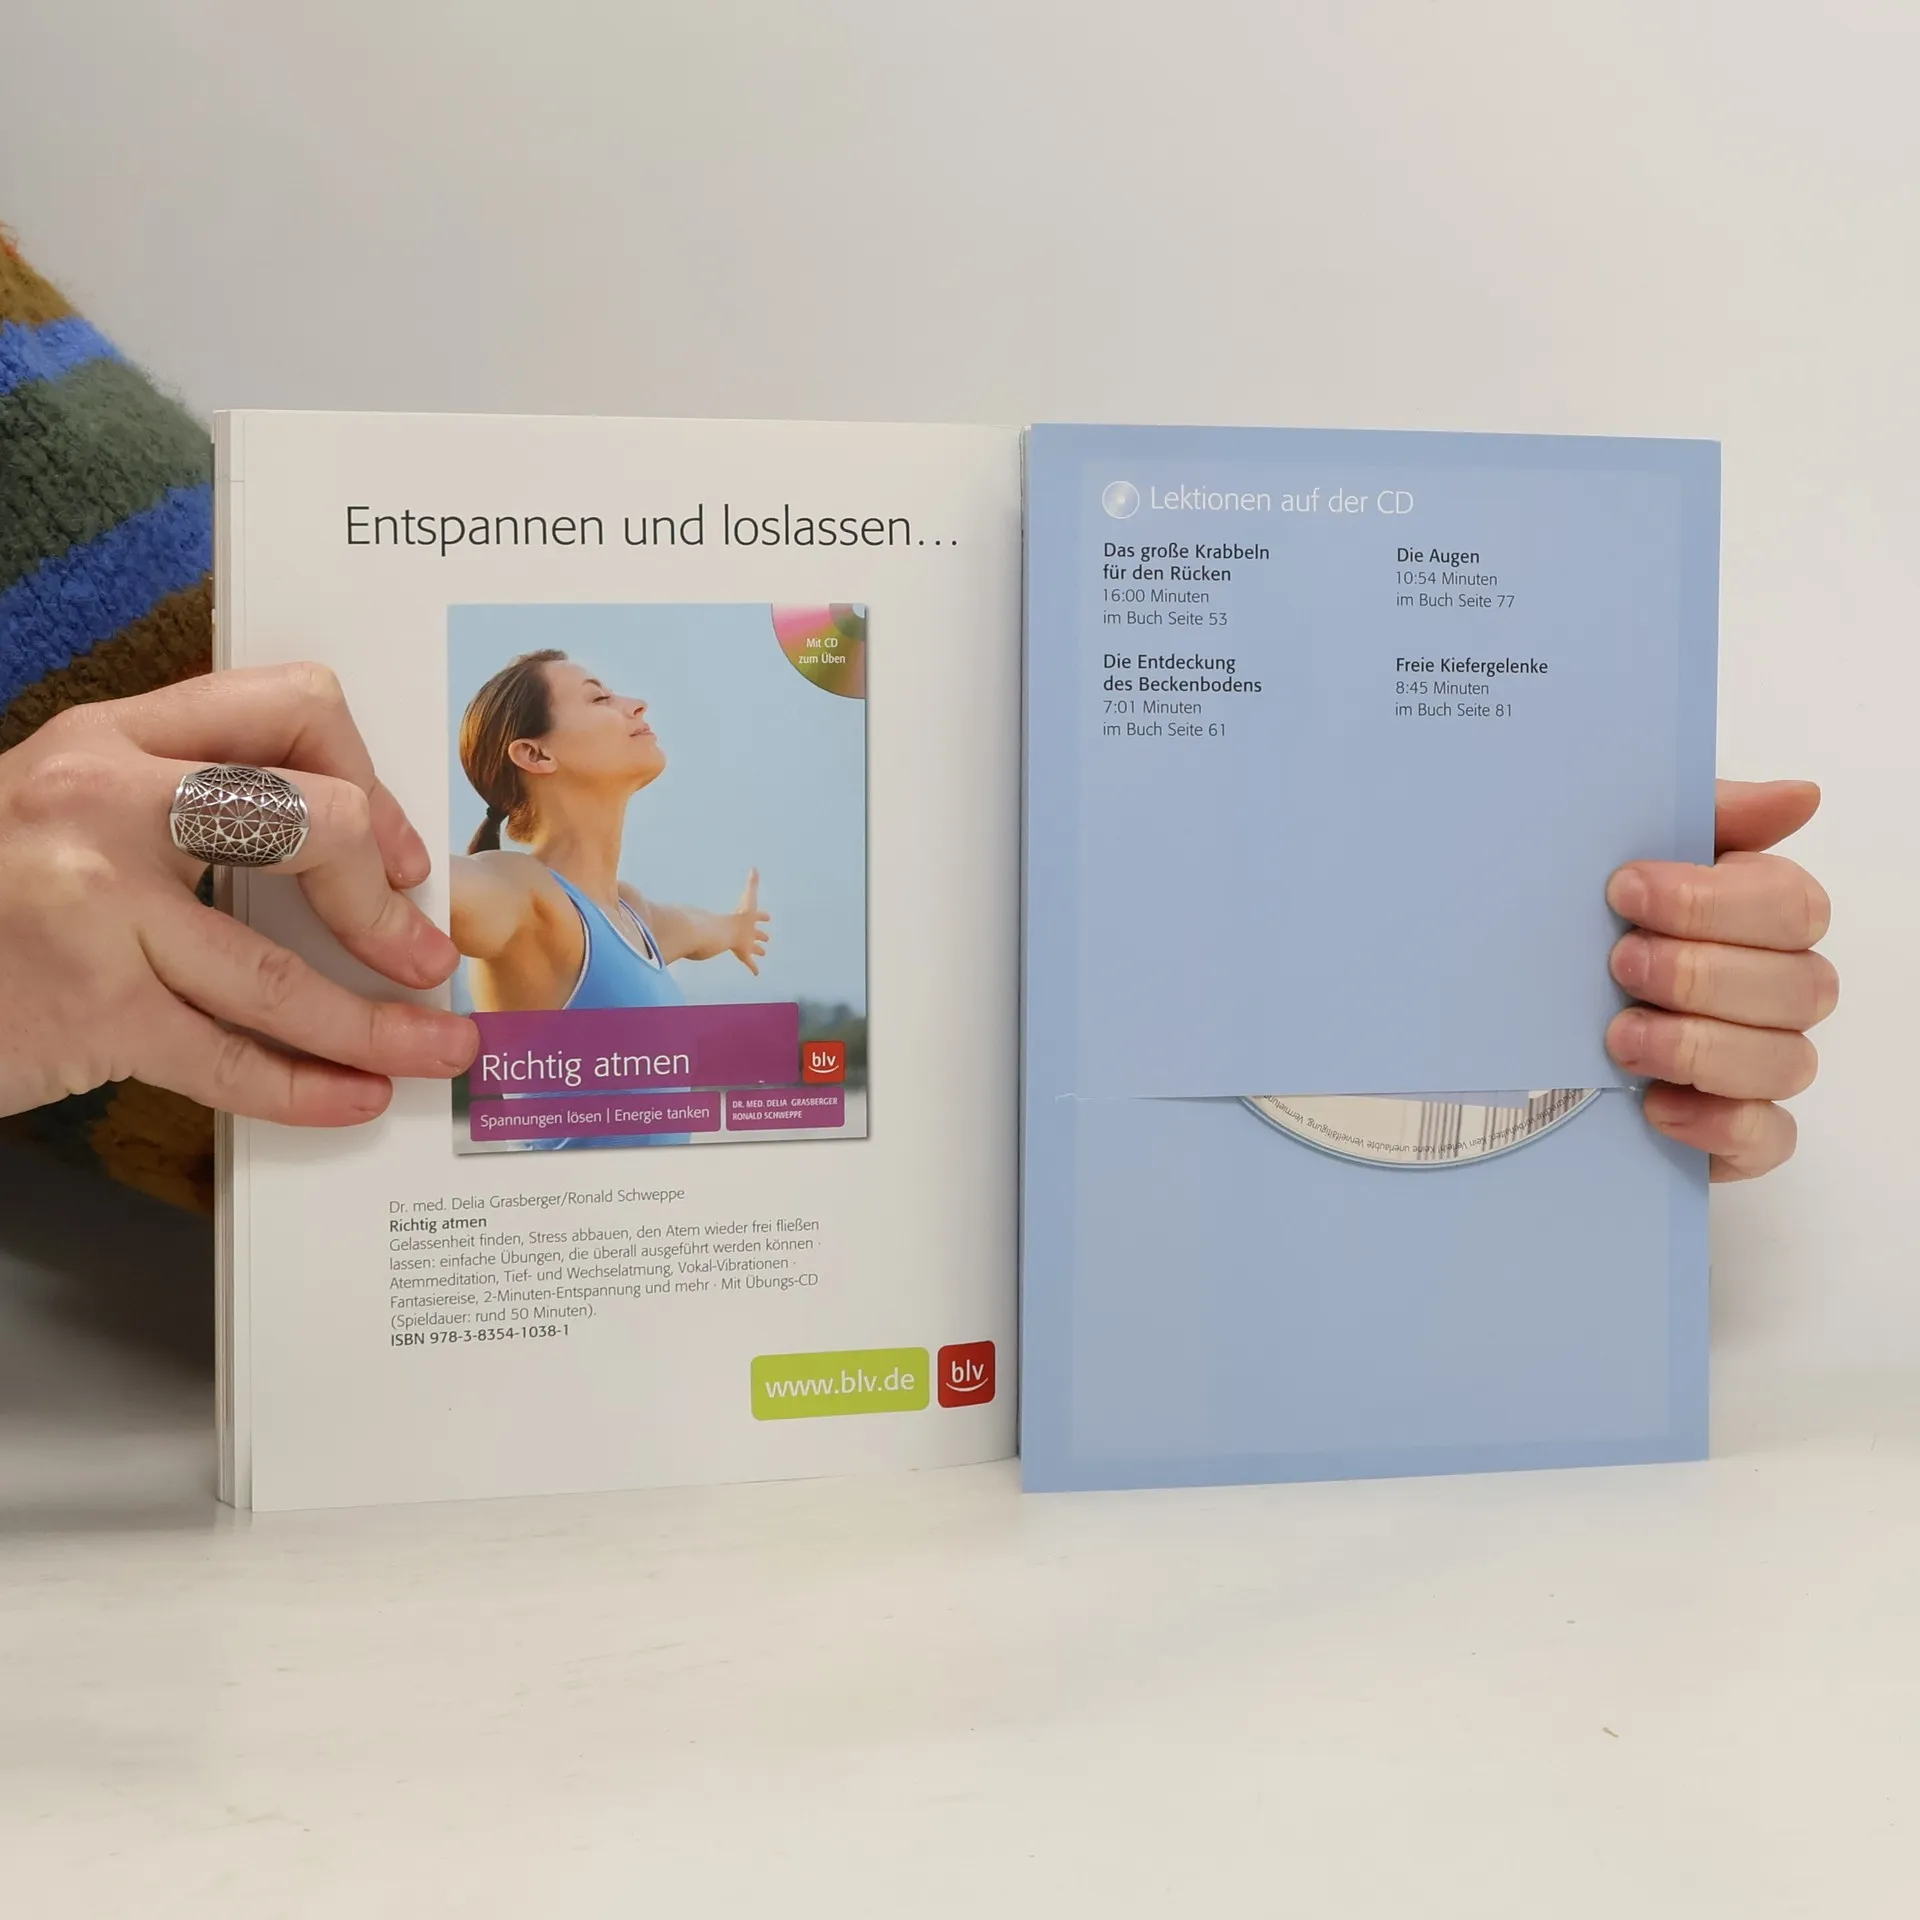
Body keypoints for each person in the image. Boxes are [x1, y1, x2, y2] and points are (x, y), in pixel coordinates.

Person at [0, 231, 1836, 1198]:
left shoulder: (595, 898)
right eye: (599, 687)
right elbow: (240, 956)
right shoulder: (495, 900)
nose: (638, 693)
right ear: (533, 754)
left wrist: (1543, 1020)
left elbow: (133, 833)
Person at [450, 648, 768, 1014]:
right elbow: (431, 882)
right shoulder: (525, 893)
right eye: (599, 698)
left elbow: (698, 927)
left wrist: (736, 929)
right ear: (536, 755)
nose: (638, 705)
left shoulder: (634, 916)